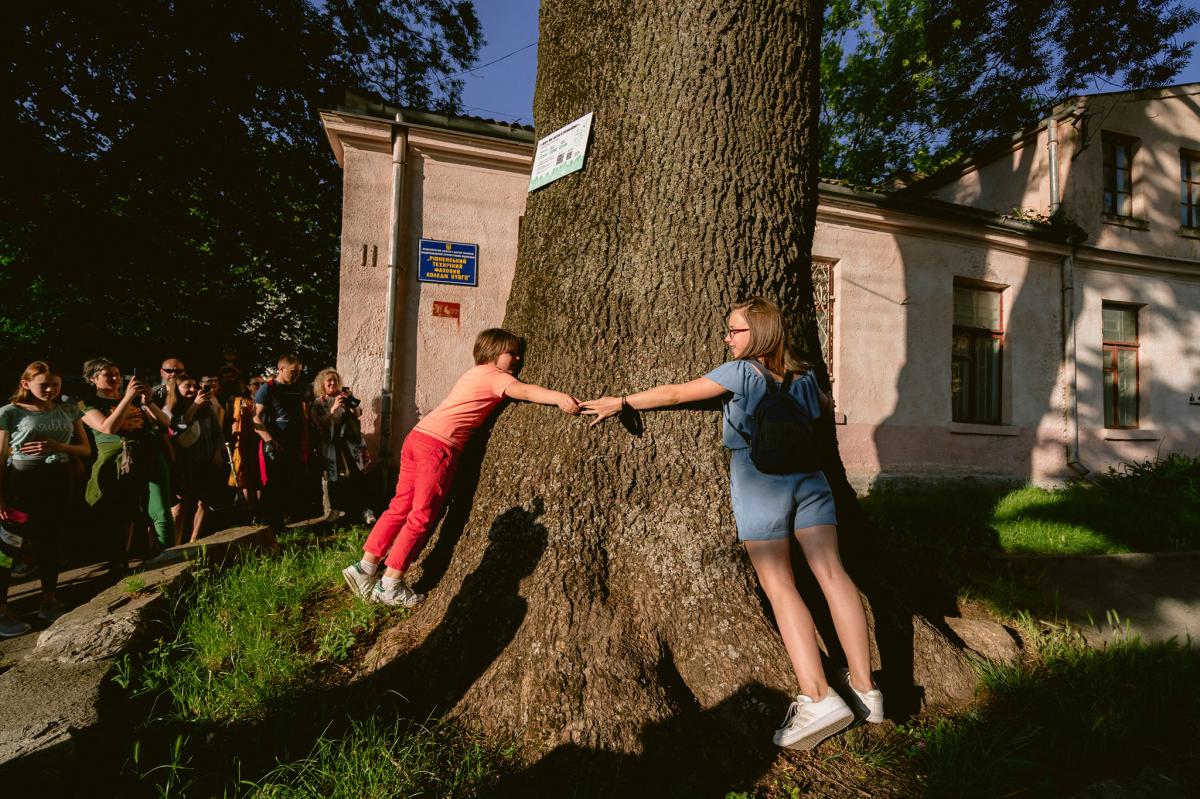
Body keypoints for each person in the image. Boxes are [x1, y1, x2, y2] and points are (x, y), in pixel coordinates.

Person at [580, 297, 884, 750]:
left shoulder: (741, 373)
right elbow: (822, 405)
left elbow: (675, 393)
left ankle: (819, 697)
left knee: (780, 584)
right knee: (833, 574)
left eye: (734, 330)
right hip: (812, 480)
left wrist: (621, 401)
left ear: (756, 334)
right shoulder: (804, 375)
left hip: (762, 484)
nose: (727, 337)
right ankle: (866, 688)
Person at [342, 328, 580, 607]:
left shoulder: (473, 373)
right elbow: (525, 391)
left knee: (400, 506)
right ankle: (391, 583)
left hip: (417, 437)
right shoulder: (497, 377)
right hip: (438, 447)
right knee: (422, 515)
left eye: (518, 353)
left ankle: (365, 567)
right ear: (492, 353)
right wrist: (560, 397)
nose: (517, 358)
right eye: (510, 353)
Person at [0, 362, 92, 636]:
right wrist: (0, 498)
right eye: (44, 385)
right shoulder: (10, 413)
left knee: (51, 543)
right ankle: (2, 611)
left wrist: (57, 446)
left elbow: (85, 448)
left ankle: (49, 601)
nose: (50, 390)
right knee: (7, 548)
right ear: (26, 384)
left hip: (58, 483)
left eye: (55, 385)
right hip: (21, 485)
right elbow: (0, 456)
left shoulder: (68, 409)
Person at [79, 358, 171, 577]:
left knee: (160, 510)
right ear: (93, 379)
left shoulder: (136, 400)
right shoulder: (86, 403)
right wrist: (128, 398)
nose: (115, 379)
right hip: (118, 465)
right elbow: (107, 427)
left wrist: (147, 402)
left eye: (118, 374)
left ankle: (169, 558)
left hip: (148, 457)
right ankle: (119, 563)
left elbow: (165, 423)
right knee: (122, 515)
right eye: (108, 375)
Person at [310, 368, 375, 525]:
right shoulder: (319, 403)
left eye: (335, 380)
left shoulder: (344, 397)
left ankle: (365, 510)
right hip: (333, 447)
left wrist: (351, 402)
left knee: (358, 476)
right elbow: (319, 424)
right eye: (329, 381)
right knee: (335, 479)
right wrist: (332, 410)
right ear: (322, 384)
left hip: (351, 445)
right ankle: (335, 510)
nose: (332, 383)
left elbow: (358, 413)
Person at [254, 355, 309, 532]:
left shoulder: (297, 388)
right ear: (281, 369)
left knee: (289, 482)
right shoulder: (267, 389)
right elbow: (256, 418)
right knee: (272, 483)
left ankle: (281, 523)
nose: (296, 375)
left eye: (298, 372)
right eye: (293, 372)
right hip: (275, 443)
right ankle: (267, 524)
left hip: (294, 442)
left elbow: (302, 416)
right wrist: (269, 440)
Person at [171, 375, 226, 543]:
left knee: (203, 502)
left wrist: (217, 453)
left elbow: (218, 432)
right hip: (184, 464)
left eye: (194, 386)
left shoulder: (207, 409)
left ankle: (194, 540)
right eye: (187, 386)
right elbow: (177, 427)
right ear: (176, 389)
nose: (193, 389)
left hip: (206, 460)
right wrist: (194, 406)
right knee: (180, 507)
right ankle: (174, 543)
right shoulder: (172, 409)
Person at [224, 377, 261, 521]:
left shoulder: (263, 399)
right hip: (244, 442)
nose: (259, 386)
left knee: (258, 476)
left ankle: (259, 509)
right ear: (248, 386)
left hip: (260, 441)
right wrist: (235, 442)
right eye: (256, 384)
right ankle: (250, 510)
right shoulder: (240, 400)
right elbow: (235, 420)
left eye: (262, 384)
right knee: (244, 476)